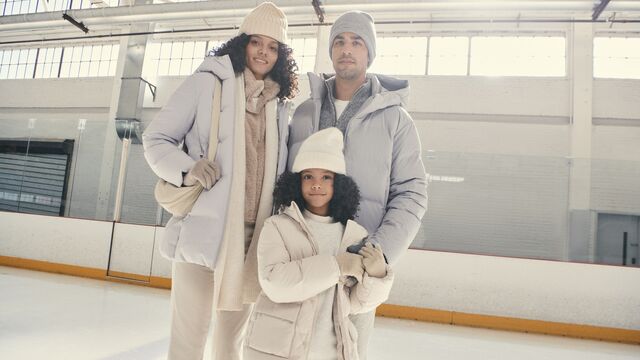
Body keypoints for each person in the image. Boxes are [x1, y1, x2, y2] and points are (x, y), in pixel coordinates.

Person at [142, 2, 298, 359]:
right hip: (202, 234)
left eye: (273, 46)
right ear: (241, 43)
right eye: (256, 41)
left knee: (230, 345)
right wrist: (187, 168)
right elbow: (155, 139)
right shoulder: (206, 83)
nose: (264, 52)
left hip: (250, 242)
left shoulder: (278, 104)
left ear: (281, 55)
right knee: (188, 341)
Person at [287, 10, 428, 359]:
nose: (346, 49)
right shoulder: (304, 112)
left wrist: (375, 255)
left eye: (356, 42)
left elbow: (411, 193)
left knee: (348, 352)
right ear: (331, 51)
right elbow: (284, 182)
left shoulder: (396, 119)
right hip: (303, 261)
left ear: (369, 53)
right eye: (339, 41)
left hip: (357, 272)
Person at [244, 128, 393, 360]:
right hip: (278, 352)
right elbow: (274, 283)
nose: (316, 184)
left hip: (332, 353)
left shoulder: (354, 236)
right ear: (296, 182)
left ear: (339, 184)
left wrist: (377, 276)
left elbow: (356, 304)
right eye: (308, 176)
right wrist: (337, 266)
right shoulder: (277, 227)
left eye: (326, 177)